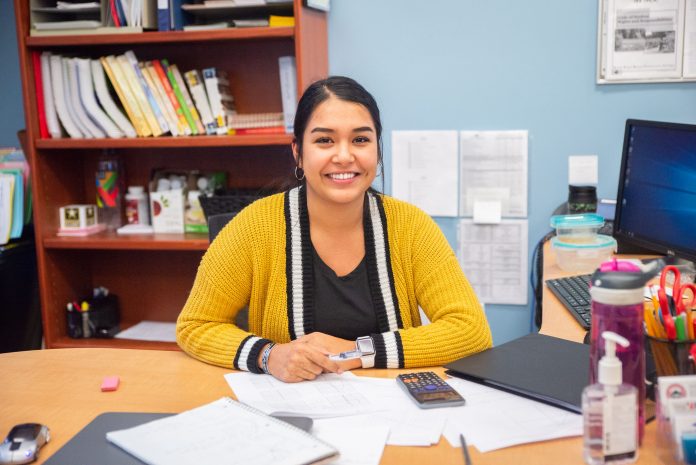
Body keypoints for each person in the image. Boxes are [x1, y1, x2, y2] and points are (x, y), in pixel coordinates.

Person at [176, 76, 492, 382]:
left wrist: (357, 352)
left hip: (392, 412)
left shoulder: (411, 226)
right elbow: (196, 325)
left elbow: (470, 330)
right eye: (324, 140)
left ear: (377, 152)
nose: (344, 156)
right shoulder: (255, 226)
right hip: (290, 413)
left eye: (361, 139)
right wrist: (269, 356)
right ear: (298, 152)